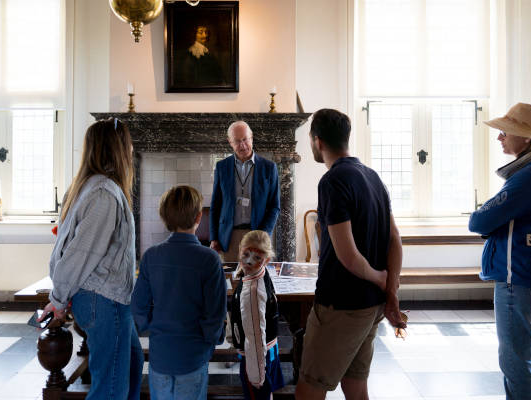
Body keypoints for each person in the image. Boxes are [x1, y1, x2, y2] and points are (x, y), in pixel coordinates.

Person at [295, 109, 406, 400]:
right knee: (354, 385)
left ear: (317, 141)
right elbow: (395, 238)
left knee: (310, 387)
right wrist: (389, 289)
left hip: (342, 305)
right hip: (371, 306)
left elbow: (347, 255)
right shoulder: (372, 177)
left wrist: (383, 280)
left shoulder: (332, 181)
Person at [41, 118, 144, 399]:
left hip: (109, 299)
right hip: (103, 300)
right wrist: (59, 299)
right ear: (117, 150)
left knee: (132, 367)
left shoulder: (92, 187)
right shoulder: (103, 194)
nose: (132, 150)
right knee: (110, 388)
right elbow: (80, 254)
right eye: (128, 144)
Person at [468, 102, 531, 400]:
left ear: (526, 137)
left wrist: (488, 223)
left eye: (506, 132)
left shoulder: (528, 175)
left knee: (515, 363)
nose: (500, 138)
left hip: (518, 276)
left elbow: (479, 220)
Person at [131, 185, 227, 400]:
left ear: (164, 217)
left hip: (160, 352)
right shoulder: (209, 259)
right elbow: (216, 312)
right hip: (193, 354)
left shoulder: (151, 256)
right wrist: (212, 340)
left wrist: (152, 328)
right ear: (199, 217)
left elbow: (138, 307)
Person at [210, 121, 280, 262]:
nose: (242, 145)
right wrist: (214, 238)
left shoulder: (269, 167)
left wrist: (263, 234)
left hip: (256, 235)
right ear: (230, 142)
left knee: (256, 280)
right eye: (237, 141)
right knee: (231, 282)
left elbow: (274, 206)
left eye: (245, 139)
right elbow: (215, 205)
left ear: (251, 138)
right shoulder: (222, 167)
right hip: (228, 237)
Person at [230, 230, 285, 400]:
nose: (248, 261)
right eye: (245, 254)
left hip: (257, 360)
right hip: (268, 350)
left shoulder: (253, 293)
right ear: (240, 250)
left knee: (258, 393)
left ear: (266, 260)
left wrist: (256, 376)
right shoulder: (258, 273)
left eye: (257, 258)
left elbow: (255, 337)